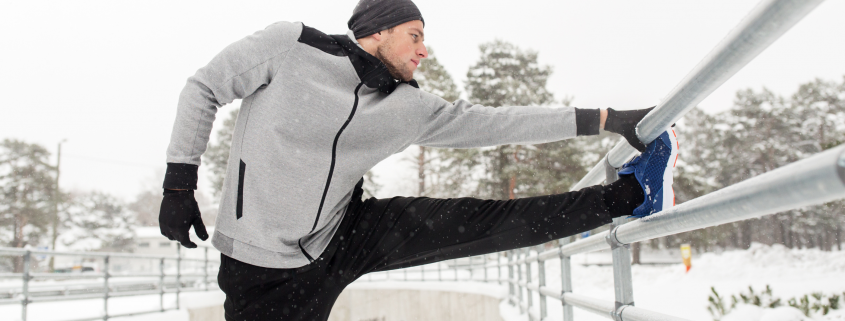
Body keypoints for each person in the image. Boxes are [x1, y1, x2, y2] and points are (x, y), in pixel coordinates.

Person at [158, 0, 678, 320]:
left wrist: (606, 118)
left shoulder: (406, 106)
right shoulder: (290, 47)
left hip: (343, 235)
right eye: (415, 35)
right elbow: (204, 87)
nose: (424, 50)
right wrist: (178, 186)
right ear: (377, 31)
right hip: (261, 268)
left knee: (484, 223)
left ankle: (633, 195)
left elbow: (497, 123)